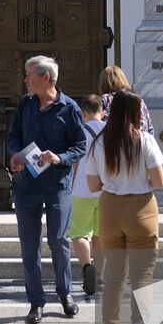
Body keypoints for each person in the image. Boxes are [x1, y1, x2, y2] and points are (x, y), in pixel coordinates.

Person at [6, 55, 90, 323]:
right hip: (26, 186)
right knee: (29, 246)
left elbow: (80, 146)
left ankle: (65, 294)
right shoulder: (26, 104)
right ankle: (36, 301)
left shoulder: (69, 107)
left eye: (29, 75)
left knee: (58, 241)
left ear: (45, 77)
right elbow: (13, 136)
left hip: (57, 186)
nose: (25, 80)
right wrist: (15, 154)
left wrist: (59, 158)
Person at [86, 90, 163, 324]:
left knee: (113, 274)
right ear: (134, 112)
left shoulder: (99, 143)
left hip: (110, 208)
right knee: (142, 274)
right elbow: (159, 181)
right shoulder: (144, 140)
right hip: (141, 208)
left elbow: (93, 184)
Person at [68, 95, 107, 296]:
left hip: (82, 190)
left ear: (83, 113)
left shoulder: (80, 132)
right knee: (100, 236)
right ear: (102, 111)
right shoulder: (112, 131)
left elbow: (74, 162)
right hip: (106, 191)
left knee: (79, 234)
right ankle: (99, 276)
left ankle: (87, 268)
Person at [98, 65, 154, 135]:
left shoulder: (106, 99)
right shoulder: (138, 99)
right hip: (141, 138)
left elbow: (99, 125)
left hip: (118, 140)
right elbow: (150, 127)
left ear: (103, 83)